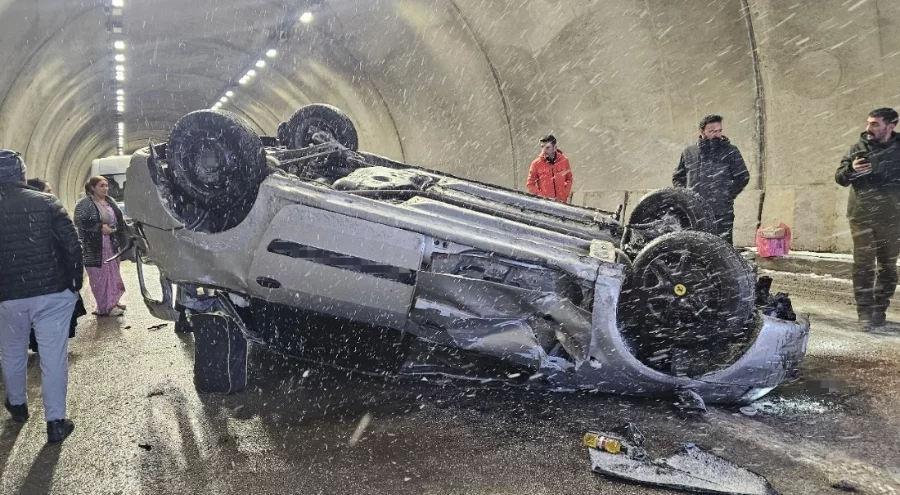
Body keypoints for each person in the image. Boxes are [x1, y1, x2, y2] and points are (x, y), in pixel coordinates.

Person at [0, 149, 81, 442]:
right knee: (53, 356)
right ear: (22, 174)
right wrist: (75, 282)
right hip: (52, 293)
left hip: (7, 295)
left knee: (12, 351)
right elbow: (71, 245)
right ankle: (56, 422)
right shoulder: (47, 202)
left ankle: (18, 405)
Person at [835, 107, 900, 329]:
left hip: (892, 217)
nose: (868, 128)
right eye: (868, 123)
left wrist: (876, 168)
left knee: (888, 267)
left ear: (891, 126)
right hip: (861, 215)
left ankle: (879, 309)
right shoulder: (858, 147)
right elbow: (840, 177)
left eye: (875, 124)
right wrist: (851, 171)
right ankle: (864, 311)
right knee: (863, 265)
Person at [672, 115, 750, 244]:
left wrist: (727, 195)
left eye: (719, 130)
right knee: (695, 248)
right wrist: (686, 196)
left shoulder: (730, 151)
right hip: (693, 212)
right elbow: (678, 177)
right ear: (701, 132)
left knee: (722, 249)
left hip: (721, 212)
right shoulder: (689, 152)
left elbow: (743, 177)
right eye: (712, 131)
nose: (716, 134)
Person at [74, 176, 127, 317]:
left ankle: (113, 301)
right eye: (101, 186)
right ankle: (105, 307)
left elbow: (119, 219)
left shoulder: (110, 201)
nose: (105, 188)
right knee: (100, 276)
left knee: (113, 274)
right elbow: (79, 222)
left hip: (111, 243)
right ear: (92, 188)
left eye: (106, 185)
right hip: (95, 246)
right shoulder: (84, 204)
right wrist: (98, 227)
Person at [526, 134, 573, 202]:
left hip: (561, 202)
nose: (544, 150)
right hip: (545, 204)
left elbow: (569, 179)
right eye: (542, 147)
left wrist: (565, 193)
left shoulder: (564, 161)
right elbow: (530, 184)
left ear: (555, 147)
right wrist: (541, 196)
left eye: (548, 147)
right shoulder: (536, 164)